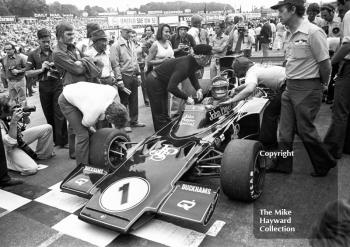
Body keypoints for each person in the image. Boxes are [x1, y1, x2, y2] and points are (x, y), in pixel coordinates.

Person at [268, 0, 336, 177]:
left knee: (305, 130)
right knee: (285, 130)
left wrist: (322, 86)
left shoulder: (313, 32)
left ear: (292, 10)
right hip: (290, 87)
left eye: (281, 11)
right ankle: (283, 163)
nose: (278, 15)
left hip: (308, 87)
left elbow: (325, 64)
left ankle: (324, 162)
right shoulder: (290, 34)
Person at [58, 82, 128, 167]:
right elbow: (85, 124)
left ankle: (89, 155)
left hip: (79, 91)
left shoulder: (113, 91)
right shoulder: (93, 113)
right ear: (109, 117)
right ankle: (81, 167)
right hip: (66, 99)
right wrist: (93, 129)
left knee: (90, 130)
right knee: (82, 135)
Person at [222, 57, 286, 149]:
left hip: (287, 85)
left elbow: (250, 89)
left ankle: (268, 145)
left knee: (270, 113)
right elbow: (251, 83)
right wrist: (237, 89)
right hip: (291, 80)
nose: (236, 74)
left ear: (241, 69)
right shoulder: (256, 67)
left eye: (236, 71)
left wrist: (232, 100)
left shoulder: (250, 73)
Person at [145, 44, 212, 131]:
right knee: (160, 114)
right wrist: (187, 98)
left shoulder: (192, 61)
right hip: (154, 80)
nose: (209, 60)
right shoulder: (185, 65)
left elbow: (192, 75)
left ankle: (167, 132)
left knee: (164, 112)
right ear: (202, 57)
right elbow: (171, 87)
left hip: (160, 81)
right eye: (208, 57)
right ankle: (161, 137)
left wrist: (198, 89)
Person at [26, 28, 68, 148]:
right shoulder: (33, 54)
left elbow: (65, 67)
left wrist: (57, 66)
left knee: (59, 113)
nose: (46, 44)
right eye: (43, 41)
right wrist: (41, 69)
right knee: (49, 114)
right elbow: (27, 73)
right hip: (43, 87)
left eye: (48, 41)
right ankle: (54, 140)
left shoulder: (56, 52)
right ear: (38, 41)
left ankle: (63, 141)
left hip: (57, 85)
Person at [53, 22, 89, 160]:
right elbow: (77, 69)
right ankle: (79, 158)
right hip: (71, 88)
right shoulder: (58, 52)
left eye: (73, 33)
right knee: (79, 128)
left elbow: (85, 61)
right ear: (60, 36)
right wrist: (84, 63)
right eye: (69, 34)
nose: (72, 36)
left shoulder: (72, 47)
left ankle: (75, 152)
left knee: (76, 126)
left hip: (79, 86)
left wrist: (83, 62)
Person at [0, 96, 54, 175]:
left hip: (17, 139)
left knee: (47, 128)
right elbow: (10, 142)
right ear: (3, 110)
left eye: (17, 106)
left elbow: (27, 122)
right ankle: (7, 164)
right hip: (6, 148)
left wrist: (25, 116)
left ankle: (42, 155)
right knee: (31, 169)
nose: (16, 109)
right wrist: (14, 121)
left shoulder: (8, 114)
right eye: (13, 107)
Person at [323, 0, 350, 159]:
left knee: (339, 110)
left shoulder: (348, 14)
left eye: (341, 6)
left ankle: (331, 150)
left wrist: (330, 63)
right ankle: (345, 145)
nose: (339, 11)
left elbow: (347, 45)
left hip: (348, 65)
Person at [110, 25, 145, 133]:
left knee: (134, 99)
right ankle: (125, 123)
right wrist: (119, 79)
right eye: (127, 31)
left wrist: (138, 74)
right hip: (124, 75)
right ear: (121, 31)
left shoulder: (132, 43)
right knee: (124, 101)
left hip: (133, 74)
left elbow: (136, 60)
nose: (129, 34)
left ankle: (134, 121)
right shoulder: (116, 45)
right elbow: (115, 64)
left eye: (130, 31)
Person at [139, 25, 155, 107]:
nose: (148, 31)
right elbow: (141, 51)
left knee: (153, 81)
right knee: (144, 83)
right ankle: (147, 100)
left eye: (149, 30)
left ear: (152, 31)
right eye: (146, 30)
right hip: (144, 63)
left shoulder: (155, 39)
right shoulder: (142, 40)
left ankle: (153, 98)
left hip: (154, 62)